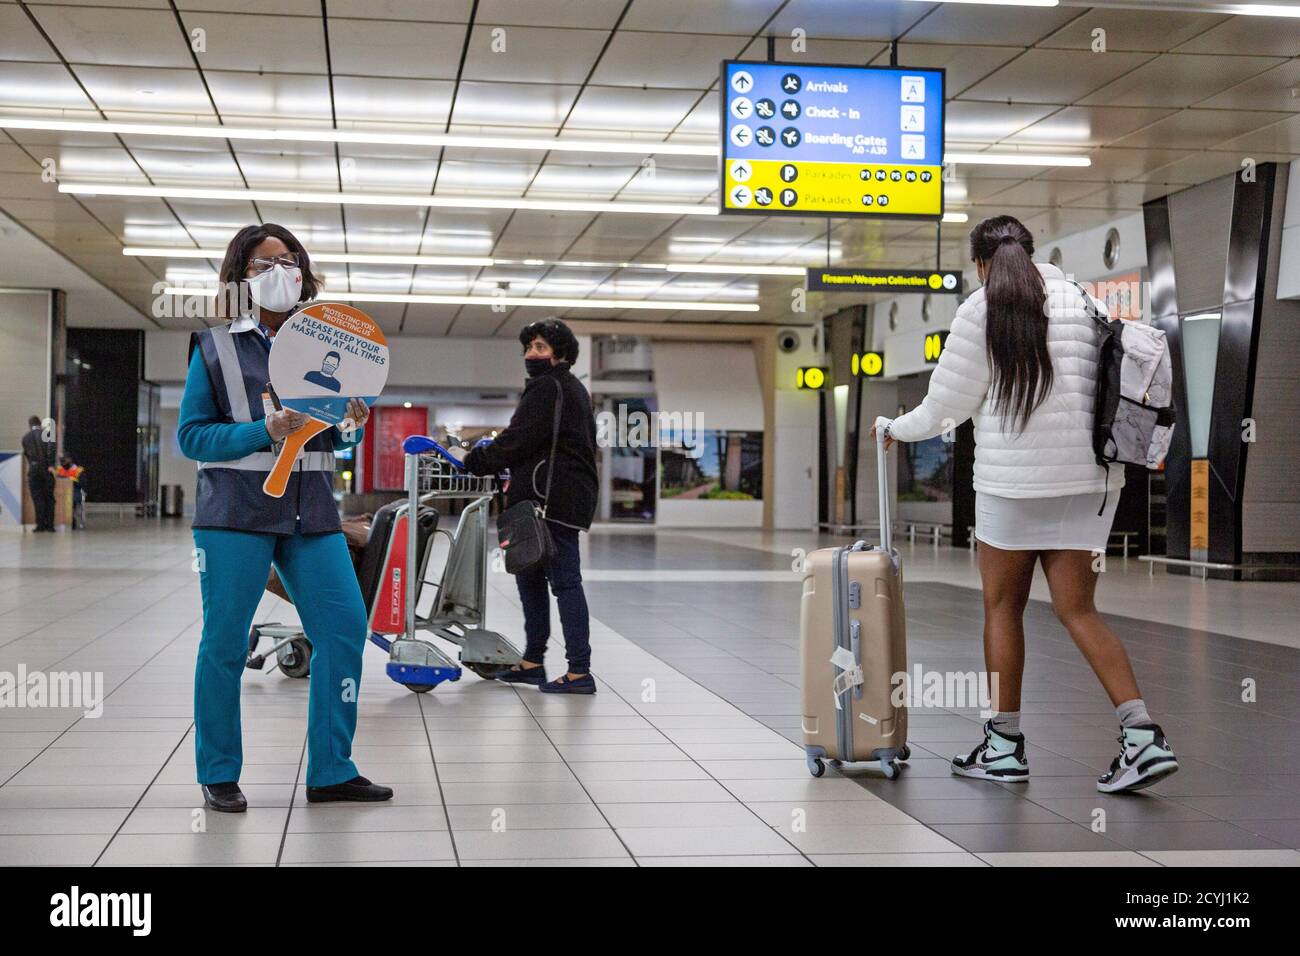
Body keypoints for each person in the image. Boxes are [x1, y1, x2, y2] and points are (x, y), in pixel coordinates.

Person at [872, 214, 1179, 794]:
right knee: (1079, 611)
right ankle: (1142, 736)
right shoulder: (1083, 302)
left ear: (981, 263)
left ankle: (1004, 748)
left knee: (1002, 609)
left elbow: (946, 407)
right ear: (1033, 252)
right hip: (1090, 488)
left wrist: (895, 427)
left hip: (1011, 490)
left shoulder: (979, 309)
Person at [178, 222, 392, 812]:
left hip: (312, 516)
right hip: (234, 517)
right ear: (240, 278)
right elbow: (192, 436)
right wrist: (262, 430)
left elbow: (330, 443)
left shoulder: (334, 344)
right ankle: (218, 771)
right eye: (261, 263)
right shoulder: (217, 346)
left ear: (304, 269)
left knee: (345, 629)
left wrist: (350, 426)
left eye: (288, 258)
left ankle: (331, 769)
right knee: (223, 642)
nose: (279, 270)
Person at [464, 318, 599, 694]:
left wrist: (475, 460)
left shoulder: (550, 387)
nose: (531, 354)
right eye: (528, 347)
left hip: (551, 501)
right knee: (530, 579)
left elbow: (518, 439)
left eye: (540, 347)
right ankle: (532, 661)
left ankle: (579, 672)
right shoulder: (567, 389)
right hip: (542, 499)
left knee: (565, 582)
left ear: (561, 354)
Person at [20, 415, 56, 532]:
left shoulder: (25, 438)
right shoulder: (47, 434)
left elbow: (26, 454)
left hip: (34, 470)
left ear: (30, 425)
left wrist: (33, 464)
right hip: (46, 469)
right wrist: (51, 465)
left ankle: (40, 525)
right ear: (40, 423)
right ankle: (50, 526)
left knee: (37, 498)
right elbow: (51, 449)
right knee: (49, 498)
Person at [55, 455, 85, 530]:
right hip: (60, 492)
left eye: (64, 461)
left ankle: (71, 520)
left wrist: (72, 480)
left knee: (71, 499)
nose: (63, 464)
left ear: (70, 460)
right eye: (62, 462)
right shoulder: (59, 469)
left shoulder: (79, 470)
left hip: (74, 491)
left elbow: (82, 483)